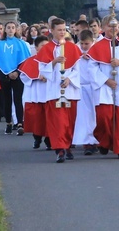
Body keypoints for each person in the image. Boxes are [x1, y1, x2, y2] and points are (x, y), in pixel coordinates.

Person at [88, 15, 119, 159]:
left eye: (115, 26)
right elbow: (91, 68)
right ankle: (104, 141)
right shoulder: (97, 46)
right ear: (103, 28)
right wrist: (106, 80)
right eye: (110, 26)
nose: (113, 29)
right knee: (104, 117)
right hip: (104, 86)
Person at [35, 18, 82, 163]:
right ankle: (60, 149)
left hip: (70, 91)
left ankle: (67, 146)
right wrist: (54, 61)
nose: (62, 32)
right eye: (59, 30)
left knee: (69, 122)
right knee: (58, 122)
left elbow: (77, 69)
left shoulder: (73, 48)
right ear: (52, 30)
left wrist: (69, 79)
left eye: (64, 30)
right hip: (54, 92)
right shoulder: (46, 49)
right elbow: (42, 70)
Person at [0, 21, 32, 135]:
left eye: (13, 28)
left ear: (16, 30)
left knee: (18, 99)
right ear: (4, 29)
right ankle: (9, 123)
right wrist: (8, 72)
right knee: (7, 99)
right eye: (8, 28)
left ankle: (20, 123)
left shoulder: (21, 43)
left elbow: (25, 60)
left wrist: (17, 72)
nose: (10, 30)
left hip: (17, 74)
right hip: (3, 74)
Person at [18, 35, 52, 150]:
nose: (45, 48)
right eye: (43, 46)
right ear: (36, 48)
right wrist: (37, 76)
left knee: (49, 120)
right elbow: (24, 76)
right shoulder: (31, 61)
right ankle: (37, 138)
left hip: (49, 94)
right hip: (36, 94)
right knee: (37, 120)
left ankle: (49, 141)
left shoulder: (54, 60)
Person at [72, 29, 99, 155]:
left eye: (86, 44)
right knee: (85, 117)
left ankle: (98, 140)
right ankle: (87, 143)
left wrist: (92, 58)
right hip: (82, 87)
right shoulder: (75, 50)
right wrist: (78, 57)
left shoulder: (97, 50)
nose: (83, 47)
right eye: (81, 44)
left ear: (92, 42)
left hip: (96, 87)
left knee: (96, 115)